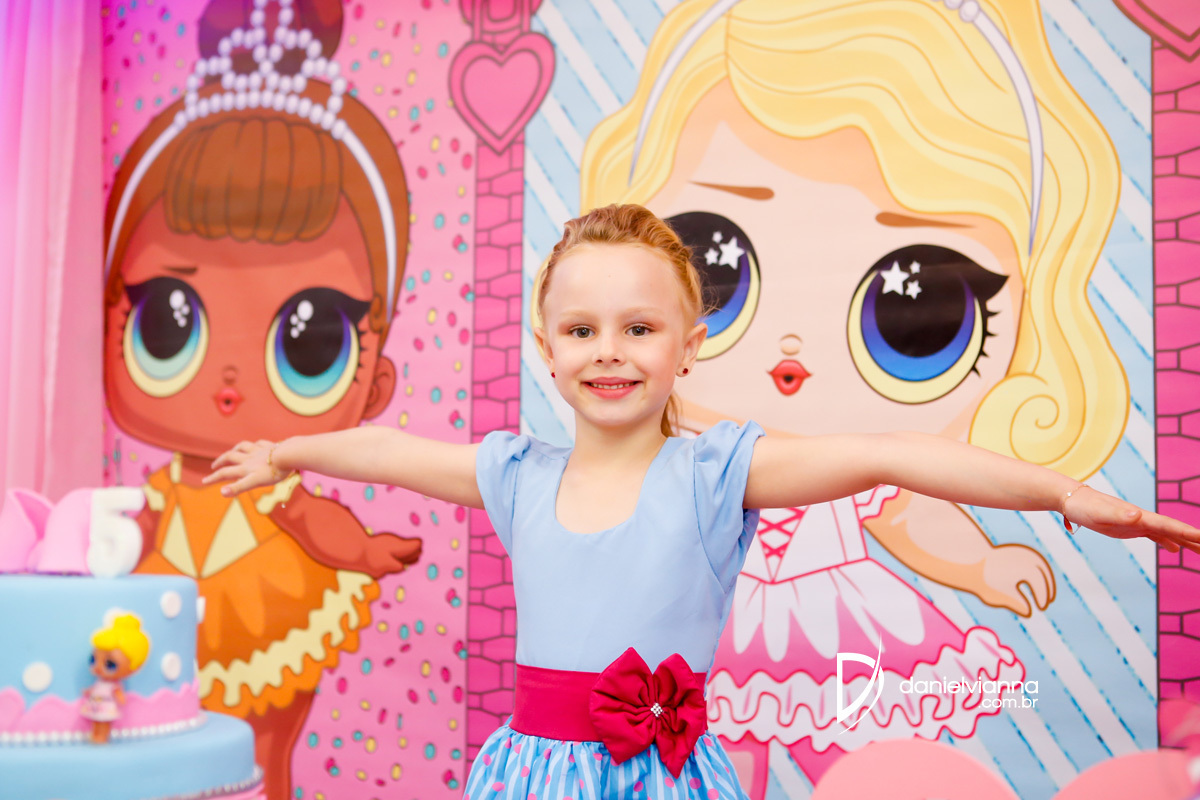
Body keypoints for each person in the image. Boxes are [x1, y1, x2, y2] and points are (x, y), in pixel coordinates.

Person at [206, 203, 1200, 800]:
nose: (609, 351)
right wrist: (283, 449)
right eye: (582, 329)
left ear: (689, 346)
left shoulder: (719, 473)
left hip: (667, 775)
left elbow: (888, 453)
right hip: (535, 775)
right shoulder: (515, 474)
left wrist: (1065, 495)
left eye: (639, 328)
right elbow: (386, 451)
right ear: (548, 349)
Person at [579, 0, 1127, 789]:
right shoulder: (680, 460)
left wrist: (980, 564)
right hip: (710, 636)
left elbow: (905, 510)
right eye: (718, 267)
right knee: (709, 763)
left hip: (839, 630)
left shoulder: (848, 462)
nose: (792, 352)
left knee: (860, 763)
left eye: (913, 318)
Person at [102, 0, 419, 794]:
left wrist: (365, 552)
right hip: (165, 609)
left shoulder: (271, 477)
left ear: (375, 378)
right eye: (167, 323)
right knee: (157, 747)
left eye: (309, 342)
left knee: (261, 755)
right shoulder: (158, 495)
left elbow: (310, 520)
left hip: (266, 606)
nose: (228, 386)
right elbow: (132, 527)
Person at [81, 613, 150, 744]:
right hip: (95, 704)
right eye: (93, 659)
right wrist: (88, 691)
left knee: (104, 721)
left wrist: (120, 697)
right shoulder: (100, 681)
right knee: (95, 720)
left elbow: (117, 692)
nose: (98, 667)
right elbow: (95, 688)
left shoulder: (113, 685)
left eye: (109, 664)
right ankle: (94, 734)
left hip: (106, 705)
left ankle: (102, 736)